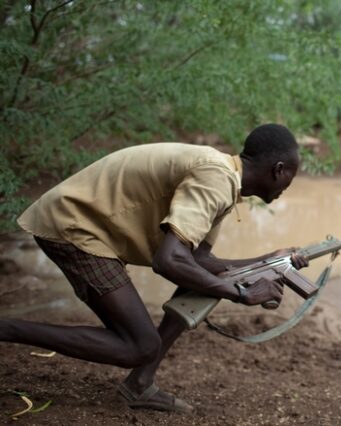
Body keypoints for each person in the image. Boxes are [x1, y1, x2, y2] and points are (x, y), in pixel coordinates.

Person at [0, 123, 309, 413]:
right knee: (140, 346)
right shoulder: (216, 178)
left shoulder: (224, 180)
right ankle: (7, 328)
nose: (288, 186)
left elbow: (199, 261)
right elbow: (169, 261)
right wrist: (240, 293)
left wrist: (269, 260)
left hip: (87, 228)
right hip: (74, 227)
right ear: (278, 170)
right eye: (291, 176)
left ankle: (139, 384)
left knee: (197, 282)